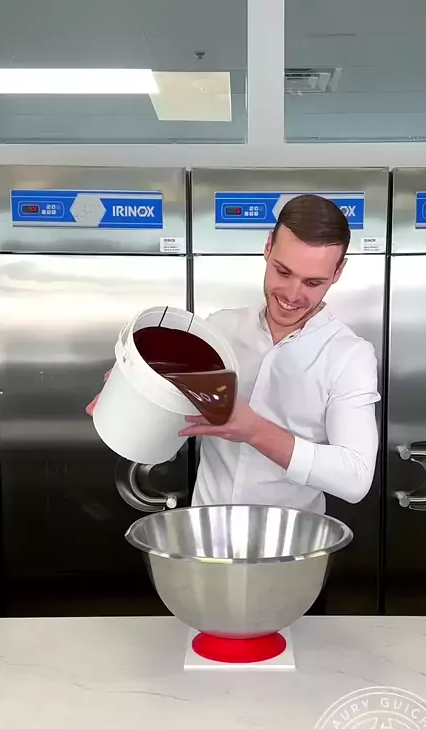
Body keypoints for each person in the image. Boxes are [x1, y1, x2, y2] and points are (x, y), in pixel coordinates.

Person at [87, 194, 380, 516]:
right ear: (268, 247)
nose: (293, 295)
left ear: (338, 271)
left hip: (290, 536)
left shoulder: (350, 357)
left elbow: (355, 478)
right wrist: (134, 389)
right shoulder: (220, 330)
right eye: (283, 272)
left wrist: (255, 431)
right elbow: (173, 403)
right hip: (205, 529)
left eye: (313, 282)